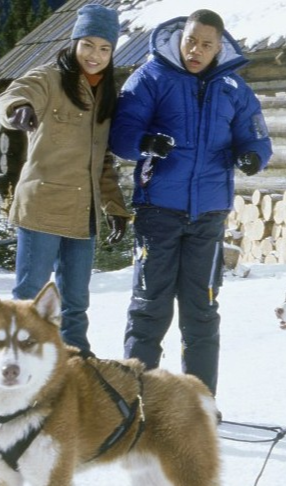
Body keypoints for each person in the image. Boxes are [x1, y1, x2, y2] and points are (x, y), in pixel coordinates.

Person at [109, 9, 272, 396]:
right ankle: (138, 399)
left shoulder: (233, 87)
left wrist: (252, 156)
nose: (195, 50)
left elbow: (256, 135)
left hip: (209, 214)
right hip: (158, 211)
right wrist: (146, 143)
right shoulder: (150, 77)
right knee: (150, 308)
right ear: (179, 38)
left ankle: (200, 402)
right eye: (190, 41)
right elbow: (122, 133)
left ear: (219, 47)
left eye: (206, 44)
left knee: (201, 312)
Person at [0, 4, 130, 357]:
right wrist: (17, 109)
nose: (95, 55)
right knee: (29, 295)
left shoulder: (106, 93)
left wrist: (115, 208)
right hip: (42, 207)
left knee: (76, 301)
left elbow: (102, 162)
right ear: (74, 43)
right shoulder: (49, 78)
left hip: (82, 215)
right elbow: (11, 95)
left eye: (104, 48)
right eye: (88, 45)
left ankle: (76, 359)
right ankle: (18, 359)